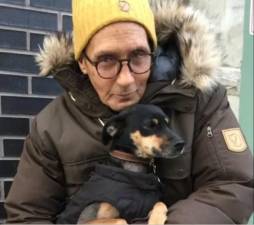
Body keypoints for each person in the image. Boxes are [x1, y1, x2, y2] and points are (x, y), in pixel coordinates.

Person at [5, 0, 253, 224]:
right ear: (83, 62)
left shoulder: (198, 98)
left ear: (153, 52)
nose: (125, 79)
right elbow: (27, 217)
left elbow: (232, 185)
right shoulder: (50, 126)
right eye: (106, 60)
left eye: (138, 56)